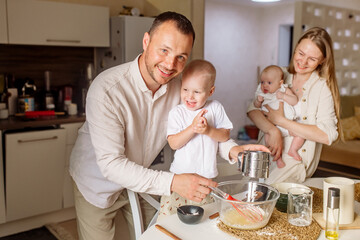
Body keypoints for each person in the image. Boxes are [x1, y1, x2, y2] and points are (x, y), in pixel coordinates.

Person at [69, 11, 269, 240]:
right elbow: (112, 165)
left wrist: (234, 149)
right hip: (97, 184)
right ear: (146, 41)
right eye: (164, 50)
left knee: (160, 235)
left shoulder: (180, 90)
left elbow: (206, 128)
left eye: (181, 57)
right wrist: (174, 182)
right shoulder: (107, 89)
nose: (170, 64)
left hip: (141, 180)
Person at [248, 27, 341, 184]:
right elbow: (253, 110)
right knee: (247, 195)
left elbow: (328, 135)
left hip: (295, 160)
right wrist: (273, 130)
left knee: (264, 193)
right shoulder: (278, 74)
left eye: (312, 59)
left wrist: (281, 121)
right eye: (301, 53)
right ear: (296, 47)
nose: (303, 62)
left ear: (323, 60)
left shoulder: (321, 88)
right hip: (265, 153)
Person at [159, 59, 233, 217]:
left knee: (205, 221)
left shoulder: (215, 108)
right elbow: (173, 143)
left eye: (197, 92)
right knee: (170, 221)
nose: (189, 96)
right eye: (185, 89)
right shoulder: (177, 113)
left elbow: (225, 135)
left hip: (207, 178)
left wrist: (208, 130)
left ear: (210, 91)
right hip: (179, 179)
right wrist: (192, 128)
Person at [254, 65, 305, 168]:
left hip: (287, 124)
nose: (265, 85)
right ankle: (278, 158)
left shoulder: (283, 89)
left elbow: (294, 100)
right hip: (272, 126)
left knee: (301, 134)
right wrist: (258, 101)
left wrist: (283, 96)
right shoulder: (262, 93)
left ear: (280, 83)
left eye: (269, 83)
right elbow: (255, 106)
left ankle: (292, 150)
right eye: (262, 82)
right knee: (268, 138)